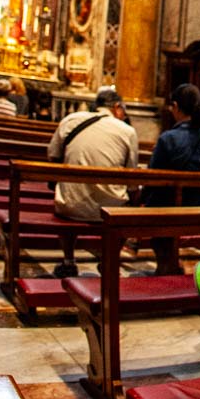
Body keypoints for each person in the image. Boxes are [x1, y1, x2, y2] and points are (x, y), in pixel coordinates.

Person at [47, 86, 139, 273]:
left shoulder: (70, 120)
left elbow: (53, 156)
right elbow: (131, 177)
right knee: (132, 207)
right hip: (110, 209)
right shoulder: (127, 131)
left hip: (69, 205)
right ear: (117, 107)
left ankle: (68, 260)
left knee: (69, 192)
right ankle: (108, 257)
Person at [144, 83, 200, 276]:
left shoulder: (167, 139)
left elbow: (152, 178)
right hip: (198, 208)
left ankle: (164, 267)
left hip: (166, 213)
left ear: (176, 107)